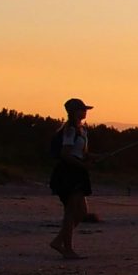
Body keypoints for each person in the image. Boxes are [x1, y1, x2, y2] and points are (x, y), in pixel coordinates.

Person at [49, 97, 93, 258]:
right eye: (82, 109)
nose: (85, 111)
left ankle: (58, 241)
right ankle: (67, 249)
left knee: (81, 212)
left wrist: (95, 156)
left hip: (78, 172)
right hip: (68, 173)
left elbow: (81, 153)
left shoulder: (82, 130)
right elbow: (65, 154)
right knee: (70, 211)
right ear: (74, 112)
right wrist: (83, 165)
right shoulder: (70, 130)